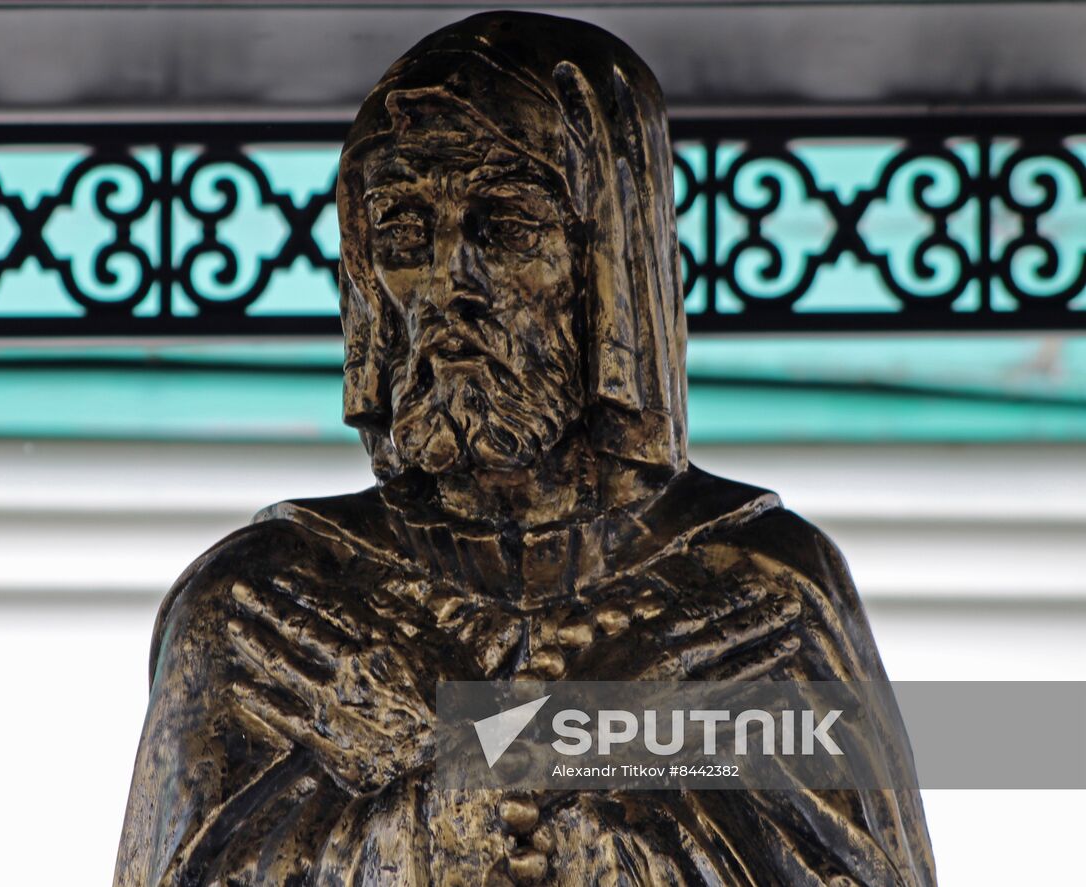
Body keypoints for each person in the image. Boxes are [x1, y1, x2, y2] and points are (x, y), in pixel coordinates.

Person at [115, 12, 936, 885]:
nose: (445, 285)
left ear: (610, 266)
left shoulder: (764, 597)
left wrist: (609, 842)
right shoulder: (263, 606)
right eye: (402, 238)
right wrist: (417, 832)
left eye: (503, 229)